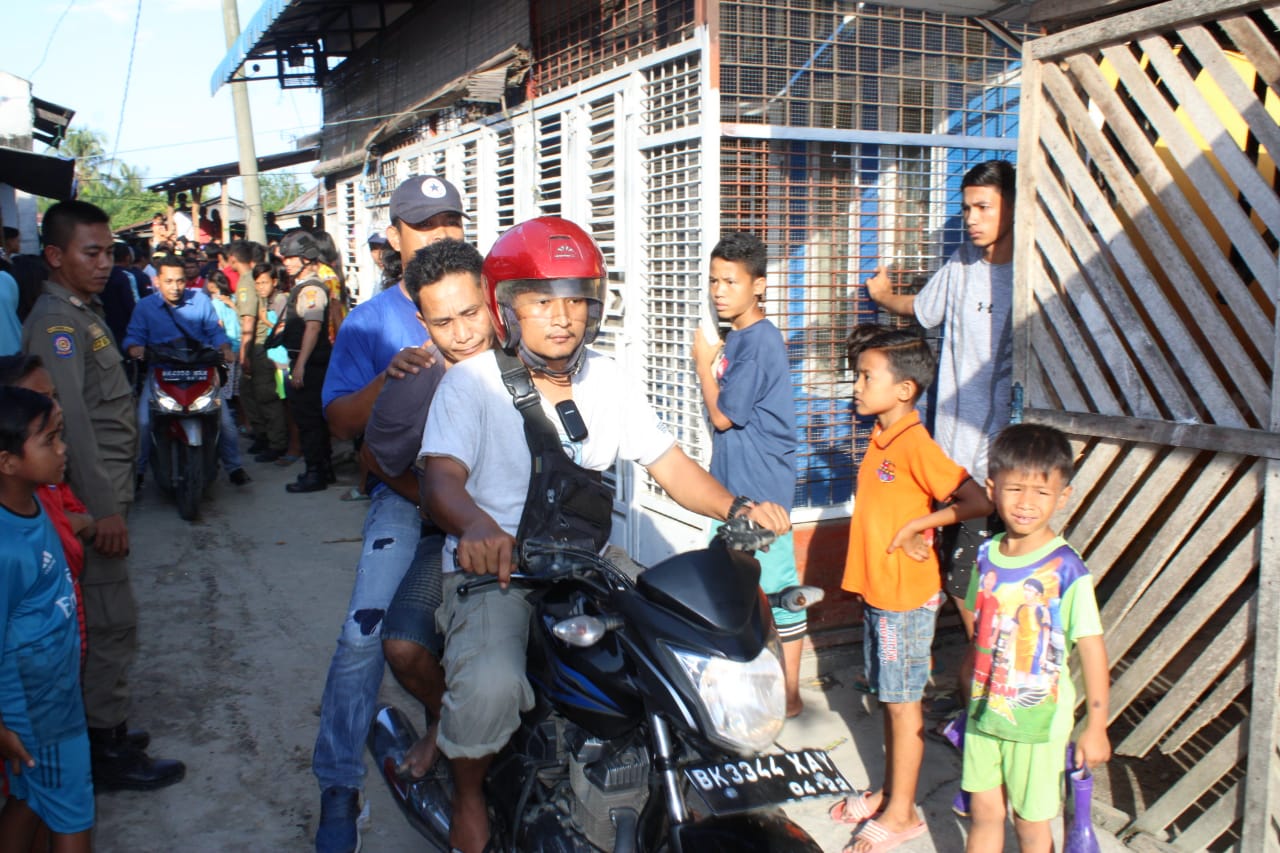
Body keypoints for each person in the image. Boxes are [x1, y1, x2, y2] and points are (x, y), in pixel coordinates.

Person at [419, 216, 791, 853]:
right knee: (491, 685)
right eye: (542, 302)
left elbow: (668, 463)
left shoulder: (607, 376)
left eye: (575, 300)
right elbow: (440, 481)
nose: (562, 317)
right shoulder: (470, 382)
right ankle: (471, 793)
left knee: (682, 643)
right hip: (500, 569)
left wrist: (738, 507)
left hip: (589, 559)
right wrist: (476, 525)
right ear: (507, 307)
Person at [310, 174, 465, 853]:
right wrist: (389, 377)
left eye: (449, 222)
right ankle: (339, 786)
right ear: (395, 237)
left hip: (482, 499)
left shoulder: (489, 300)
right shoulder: (371, 321)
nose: (438, 236)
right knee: (363, 635)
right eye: (422, 226)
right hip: (403, 499)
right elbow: (340, 421)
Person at [20, 200, 184, 792]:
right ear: (54, 255)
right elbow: (71, 428)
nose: (105, 263)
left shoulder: (81, 312)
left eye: (110, 252)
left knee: (109, 614)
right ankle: (103, 746)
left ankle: (103, 730)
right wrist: (102, 510)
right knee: (111, 620)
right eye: (91, 253)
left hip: (104, 492)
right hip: (93, 499)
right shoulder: (58, 325)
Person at [830, 325, 992, 853]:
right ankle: (888, 793)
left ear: (904, 389)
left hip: (903, 600)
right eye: (857, 376)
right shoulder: (883, 438)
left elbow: (976, 501)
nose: (856, 386)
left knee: (903, 706)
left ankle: (902, 815)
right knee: (888, 698)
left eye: (866, 377)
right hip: (882, 594)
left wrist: (919, 526)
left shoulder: (915, 444)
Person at [866, 159, 1015, 639]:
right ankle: (981, 667)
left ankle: (989, 671)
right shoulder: (961, 262)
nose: (972, 218)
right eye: (966, 208)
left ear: (1014, 206)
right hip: (949, 454)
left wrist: (1002, 463)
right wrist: (885, 298)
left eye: (984, 207)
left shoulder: (1029, 274)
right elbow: (924, 309)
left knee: (982, 577)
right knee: (959, 574)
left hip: (997, 460)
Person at [371, 239, 494, 787]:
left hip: (541, 535)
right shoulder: (419, 376)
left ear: (492, 299)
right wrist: (435, 505)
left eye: (471, 313)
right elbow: (374, 458)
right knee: (401, 644)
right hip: (450, 541)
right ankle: (445, 717)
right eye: (444, 322)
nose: (463, 334)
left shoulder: (532, 355)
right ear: (423, 323)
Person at [962, 424, 1110, 853]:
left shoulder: (1067, 569)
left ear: (1063, 496)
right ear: (992, 488)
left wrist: (1096, 726)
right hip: (983, 712)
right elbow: (979, 624)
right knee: (984, 813)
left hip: (1038, 725)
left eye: (1042, 492)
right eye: (1014, 489)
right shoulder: (985, 554)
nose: (1026, 503)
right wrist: (966, 681)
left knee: (1029, 824)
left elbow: (1092, 648)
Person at [691, 231, 805, 717]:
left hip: (761, 495)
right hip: (734, 491)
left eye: (731, 282)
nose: (719, 291)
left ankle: (792, 695)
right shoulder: (740, 338)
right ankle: (746, 684)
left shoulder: (758, 341)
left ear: (759, 285)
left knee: (778, 594)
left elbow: (723, 417)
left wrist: (702, 364)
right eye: (714, 281)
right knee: (733, 588)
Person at [0, 387, 93, 852]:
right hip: (39, 711)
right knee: (73, 811)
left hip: (56, 693)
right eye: (50, 440)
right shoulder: (6, 548)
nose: (62, 450)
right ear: (8, 462)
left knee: (30, 799)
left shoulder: (36, 507)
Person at [123, 255, 248, 489]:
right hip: (161, 373)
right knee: (143, 423)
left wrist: (224, 348)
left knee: (226, 423)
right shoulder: (145, 307)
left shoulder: (201, 301)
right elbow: (133, 336)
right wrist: (134, 348)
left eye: (180, 281)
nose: (175, 287)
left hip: (201, 372)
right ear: (157, 281)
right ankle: (138, 471)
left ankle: (234, 467)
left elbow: (215, 331)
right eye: (169, 281)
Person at [277, 230, 334, 493]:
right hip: (309, 362)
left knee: (309, 421)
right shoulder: (303, 286)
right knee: (314, 420)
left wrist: (300, 365)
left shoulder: (311, 289)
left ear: (306, 257)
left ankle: (315, 474)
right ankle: (323, 469)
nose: (286, 262)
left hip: (310, 365)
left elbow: (312, 327)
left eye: (291, 257)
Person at [239, 255, 290, 461]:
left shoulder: (280, 300)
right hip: (265, 352)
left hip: (273, 356)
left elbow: (283, 328)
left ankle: (277, 444)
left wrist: (264, 321)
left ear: (274, 282)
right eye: (257, 283)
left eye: (264, 282)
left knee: (268, 399)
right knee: (255, 395)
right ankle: (267, 438)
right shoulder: (267, 300)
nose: (260, 287)